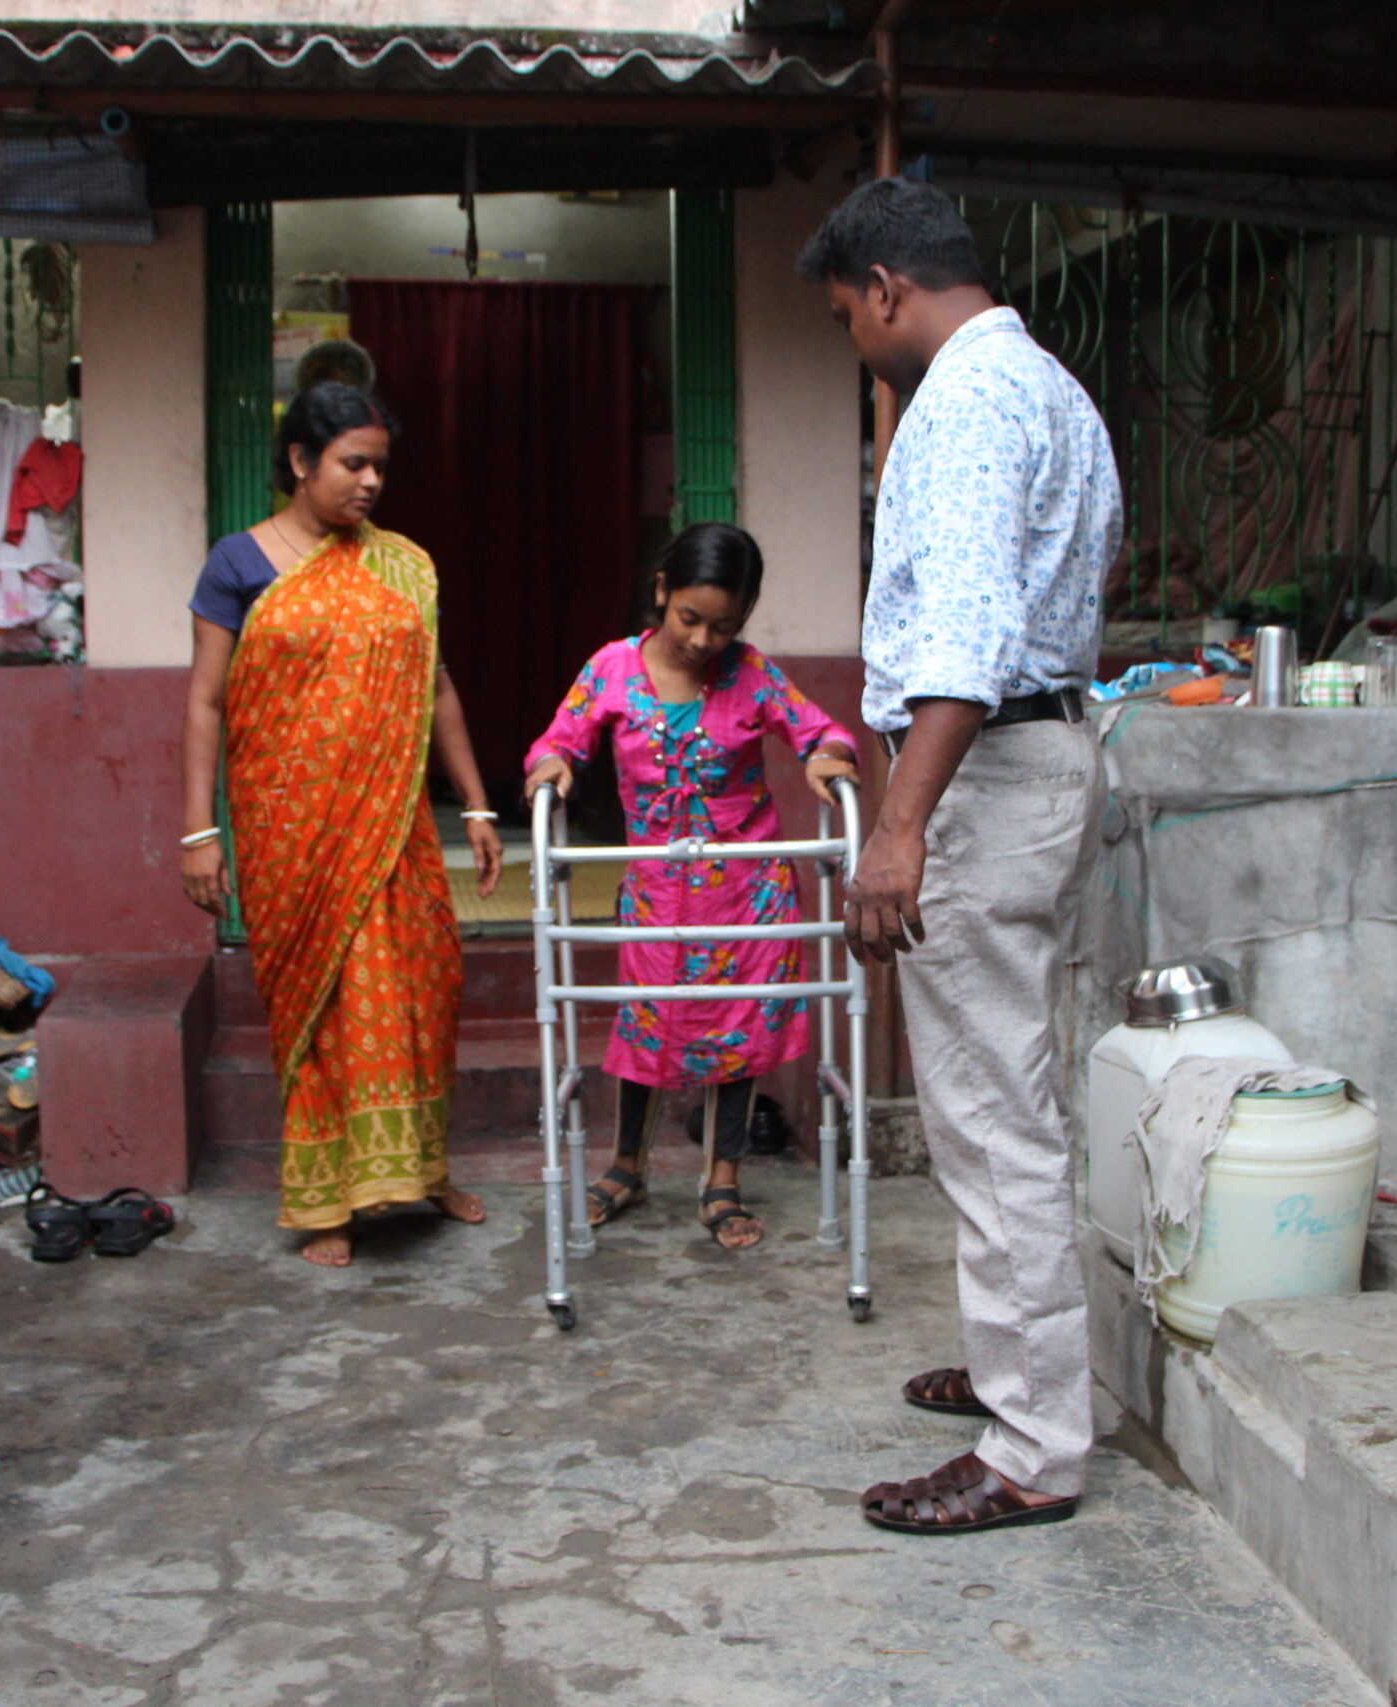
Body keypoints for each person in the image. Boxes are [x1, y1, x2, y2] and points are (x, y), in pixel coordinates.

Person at [798, 178, 1123, 1534]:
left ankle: (1034, 1443)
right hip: (1023, 762)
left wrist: (902, 821)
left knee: (991, 1115)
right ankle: (1023, 1368)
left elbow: (973, 632)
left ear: (885, 287)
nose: (854, 343)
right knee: (1002, 1099)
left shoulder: (973, 399)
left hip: (984, 777)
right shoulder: (1049, 385)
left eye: (845, 317)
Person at [177, 381, 506, 1268]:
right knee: (326, 1005)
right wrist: (197, 831)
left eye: (379, 467)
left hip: (390, 821)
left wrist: (475, 801)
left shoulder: (402, 565)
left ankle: (422, 1172)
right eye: (351, 464)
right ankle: (328, 1203)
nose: (369, 483)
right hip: (292, 829)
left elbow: (435, 689)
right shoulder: (238, 566)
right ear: (299, 462)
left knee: (415, 988)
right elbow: (207, 702)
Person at [523, 523, 859, 1250]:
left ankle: (722, 1179)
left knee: (734, 1031)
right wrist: (552, 764)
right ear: (661, 592)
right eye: (690, 619)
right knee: (646, 1019)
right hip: (655, 889)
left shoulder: (753, 673)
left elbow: (819, 729)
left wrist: (828, 756)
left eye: (725, 625)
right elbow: (561, 738)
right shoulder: (612, 668)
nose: (706, 639)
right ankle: (626, 1166)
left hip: (748, 887)